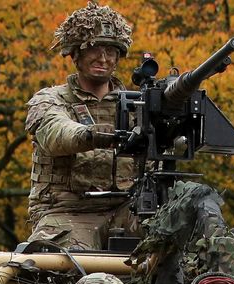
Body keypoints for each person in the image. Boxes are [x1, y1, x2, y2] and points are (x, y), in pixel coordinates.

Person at [24, 2, 139, 251]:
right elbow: (57, 132)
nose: (103, 58)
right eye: (93, 49)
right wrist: (90, 134)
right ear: (75, 54)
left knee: (181, 219)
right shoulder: (50, 100)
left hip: (126, 211)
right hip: (66, 212)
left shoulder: (136, 106)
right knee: (73, 265)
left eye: (111, 51)